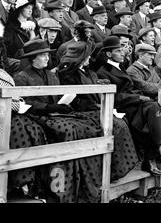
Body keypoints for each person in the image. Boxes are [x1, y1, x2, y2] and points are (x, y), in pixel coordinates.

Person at [14, 39, 104, 202]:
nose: (47, 58)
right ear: (33, 58)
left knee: (87, 127)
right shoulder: (21, 76)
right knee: (67, 130)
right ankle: (60, 186)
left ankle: (83, 180)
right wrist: (50, 108)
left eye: (47, 55)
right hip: (37, 116)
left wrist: (64, 103)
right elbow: (25, 102)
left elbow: (58, 96)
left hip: (55, 114)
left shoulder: (51, 74)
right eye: (42, 56)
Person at [57, 40, 139, 181]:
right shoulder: (68, 74)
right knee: (117, 125)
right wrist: (95, 106)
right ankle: (111, 170)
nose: (90, 58)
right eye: (87, 56)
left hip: (95, 107)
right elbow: (75, 100)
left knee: (120, 122)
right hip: (81, 110)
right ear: (80, 57)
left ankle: (115, 168)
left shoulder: (90, 72)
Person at [96, 36, 161, 175]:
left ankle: (156, 151)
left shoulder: (120, 66)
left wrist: (139, 97)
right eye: (118, 51)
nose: (122, 53)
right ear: (108, 54)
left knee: (155, 109)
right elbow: (115, 96)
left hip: (133, 103)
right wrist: (138, 97)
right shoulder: (103, 72)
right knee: (154, 110)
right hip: (121, 106)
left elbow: (131, 87)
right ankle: (157, 152)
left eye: (122, 50)